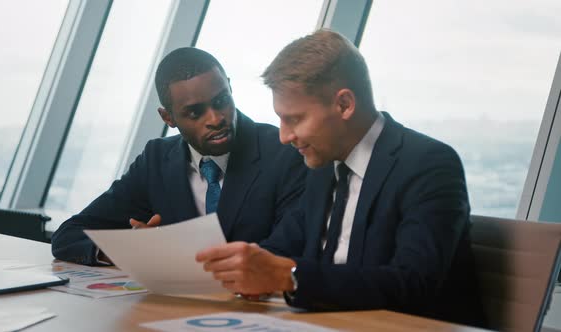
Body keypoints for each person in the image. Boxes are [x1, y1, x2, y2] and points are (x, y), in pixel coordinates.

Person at [196, 30, 485, 327]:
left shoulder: (429, 164)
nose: (284, 137)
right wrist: (228, 265)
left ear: (345, 104)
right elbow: (279, 249)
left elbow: (412, 284)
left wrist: (288, 277)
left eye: (295, 119)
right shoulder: (322, 167)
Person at [51, 47, 307, 266]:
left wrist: (171, 254)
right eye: (195, 113)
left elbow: (289, 251)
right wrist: (127, 252)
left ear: (229, 87)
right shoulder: (156, 160)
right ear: (168, 118)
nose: (215, 119)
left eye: (221, 101)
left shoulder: (285, 153)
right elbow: (69, 235)